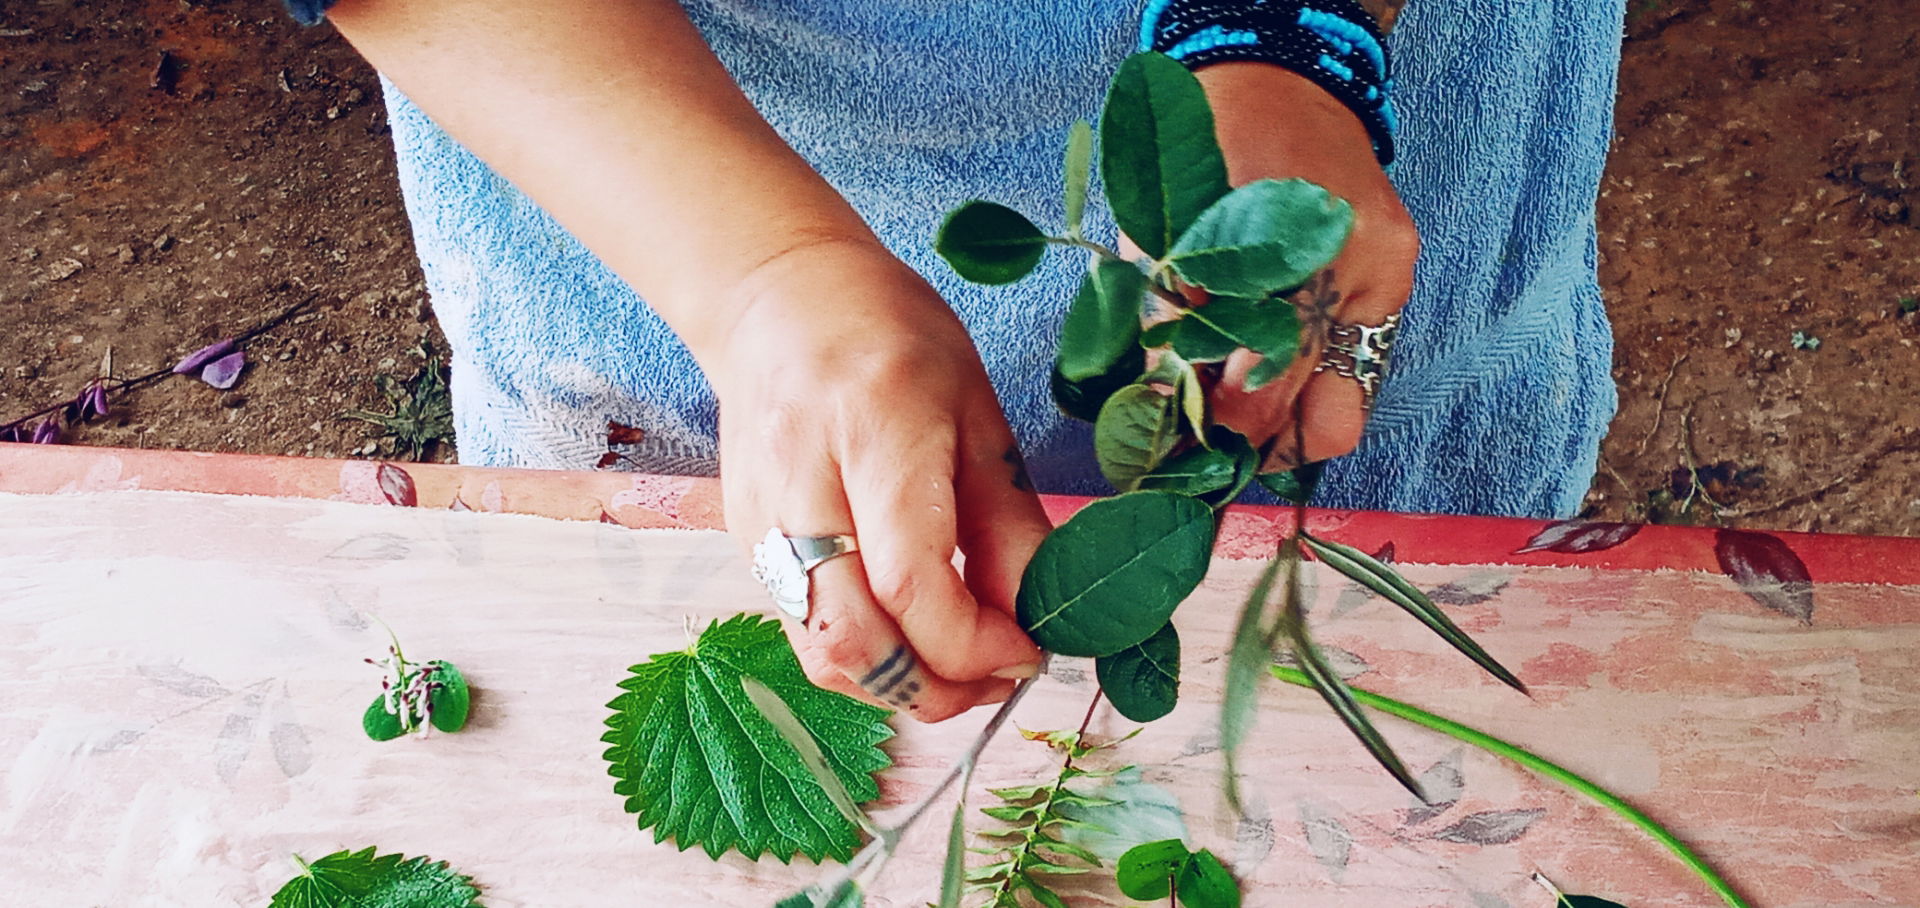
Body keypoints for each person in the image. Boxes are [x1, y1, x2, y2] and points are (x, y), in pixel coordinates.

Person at [288, 0, 1623, 720]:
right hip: (620, 133)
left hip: (1335, 154)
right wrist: (757, 281)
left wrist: (1288, 43)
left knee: (1363, 675)